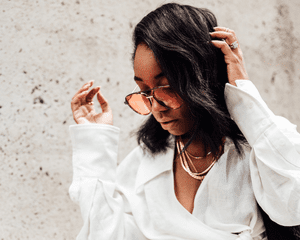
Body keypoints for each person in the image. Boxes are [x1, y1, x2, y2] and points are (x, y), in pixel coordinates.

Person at [69, 3, 300, 240]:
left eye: (166, 88)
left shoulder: (256, 151)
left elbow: (293, 206)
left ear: (202, 77)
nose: (156, 108)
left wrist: (243, 95)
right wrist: (95, 141)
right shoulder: (148, 160)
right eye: (144, 91)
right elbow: (107, 234)